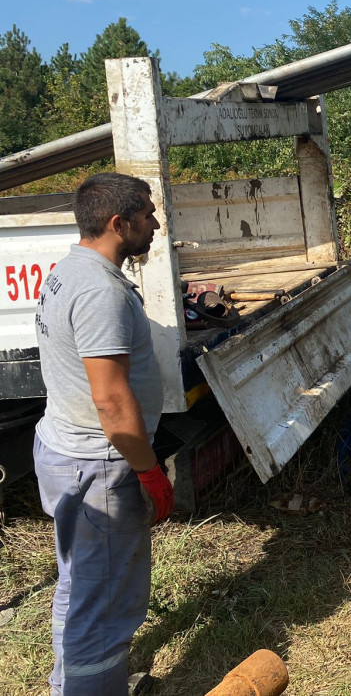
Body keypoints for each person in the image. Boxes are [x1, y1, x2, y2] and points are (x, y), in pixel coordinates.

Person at [33, 172, 174, 696]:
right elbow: (112, 402)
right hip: (98, 467)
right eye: (147, 213)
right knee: (108, 600)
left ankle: (78, 683)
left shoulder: (68, 270)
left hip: (66, 451)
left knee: (81, 586)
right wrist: (150, 472)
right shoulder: (99, 292)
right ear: (120, 223)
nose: (155, 223)